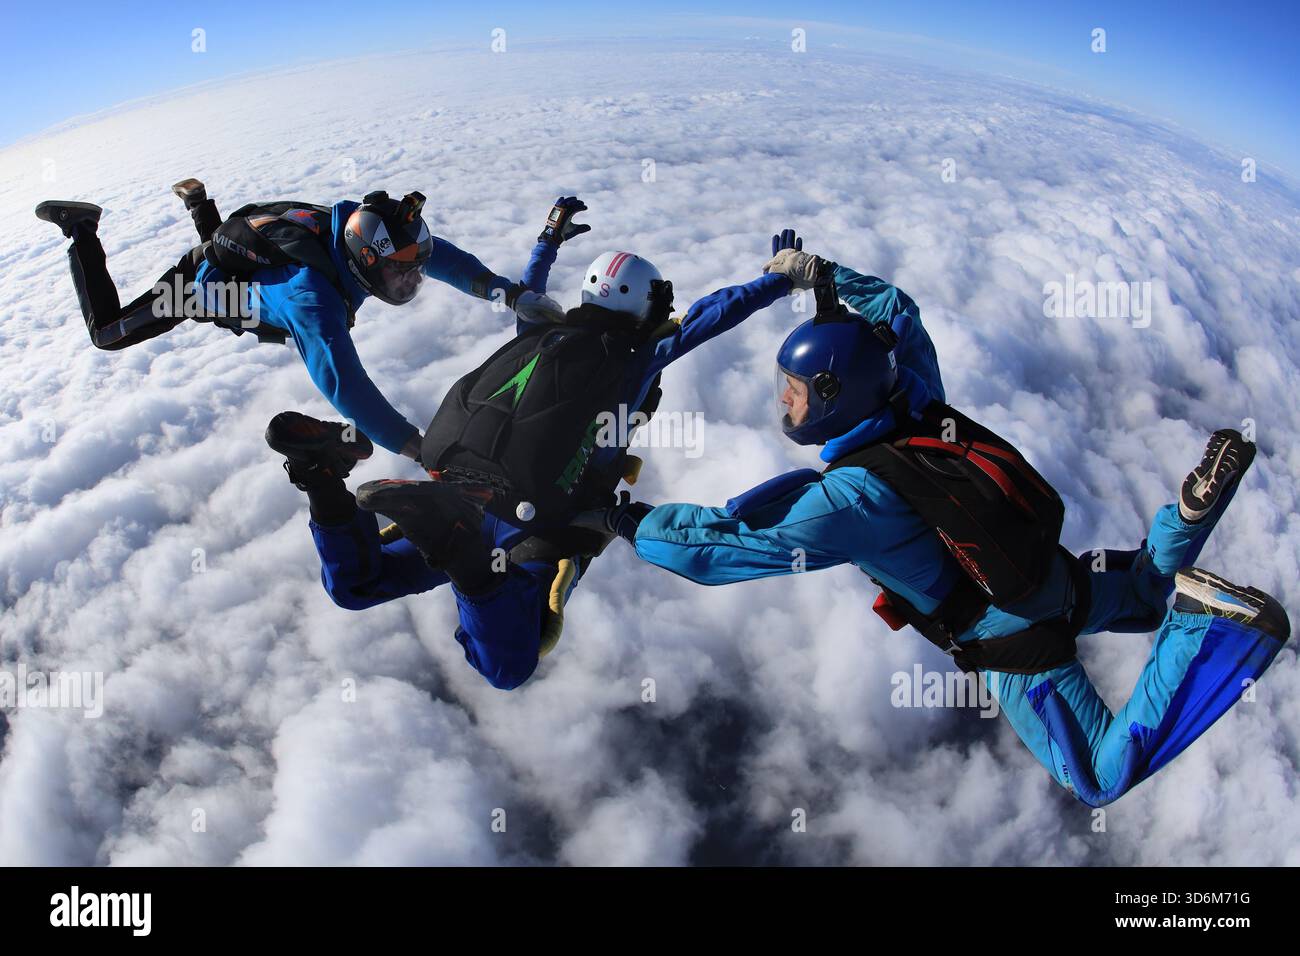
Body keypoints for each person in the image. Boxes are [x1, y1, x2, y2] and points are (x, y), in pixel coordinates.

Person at [588, 234, 1291, 807]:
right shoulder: (917, 398)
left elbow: (723, 547)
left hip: (1012, 643)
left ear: (835, 396)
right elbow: (901, 312)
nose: (785, 406)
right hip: (1051, 577)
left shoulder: (851, 501)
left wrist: (628, 524)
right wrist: (821, 276)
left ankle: (1212, 625)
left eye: (796, 393)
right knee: (1140, 596)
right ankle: (1189, 516)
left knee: (1100, 779)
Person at [266, 206, 799, 689]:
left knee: (358, 584)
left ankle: (320, 475)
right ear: (643, 305)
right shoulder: (637, 354)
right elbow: (710, 316)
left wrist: (550, 238)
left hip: (457, 485)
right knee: (506, 665)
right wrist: (778, 280)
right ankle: (460, 552)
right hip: (539, 519)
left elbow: (529, 287)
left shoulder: (541, 325)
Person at [34, 181, 556, 459]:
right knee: (108, 333)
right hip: (198, 290)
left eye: (411, 271)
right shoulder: (314, 302)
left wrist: (507, 294)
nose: (411, 282)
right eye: (400, 274)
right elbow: (344, 385)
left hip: (255, 269)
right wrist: (417, 447)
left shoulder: (364, 228)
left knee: (240, 281)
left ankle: (201, 205)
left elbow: (438, 256)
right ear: (365, 261)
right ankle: (81, 227)